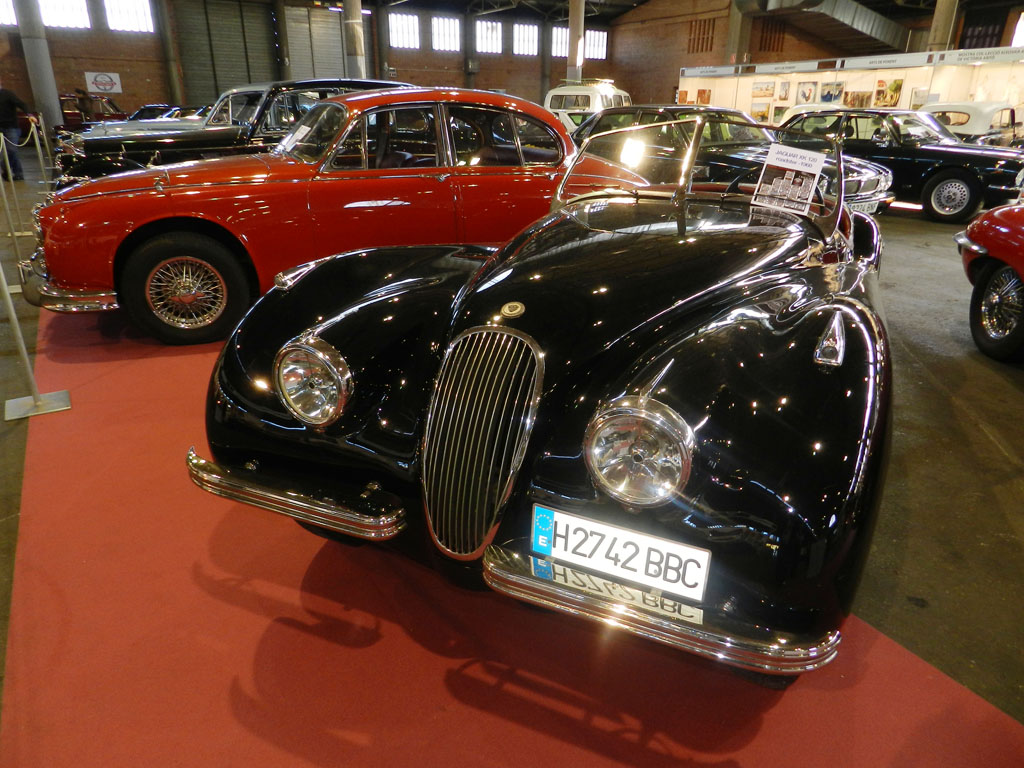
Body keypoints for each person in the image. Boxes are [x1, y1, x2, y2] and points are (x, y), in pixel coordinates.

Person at [0, 78, 29, 180]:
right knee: (11, 152)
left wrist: (29, 114)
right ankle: (18, 173)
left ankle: (5, 167)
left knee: (12, 150)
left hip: (11, 127)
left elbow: (21, 104)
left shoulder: (8, 94)